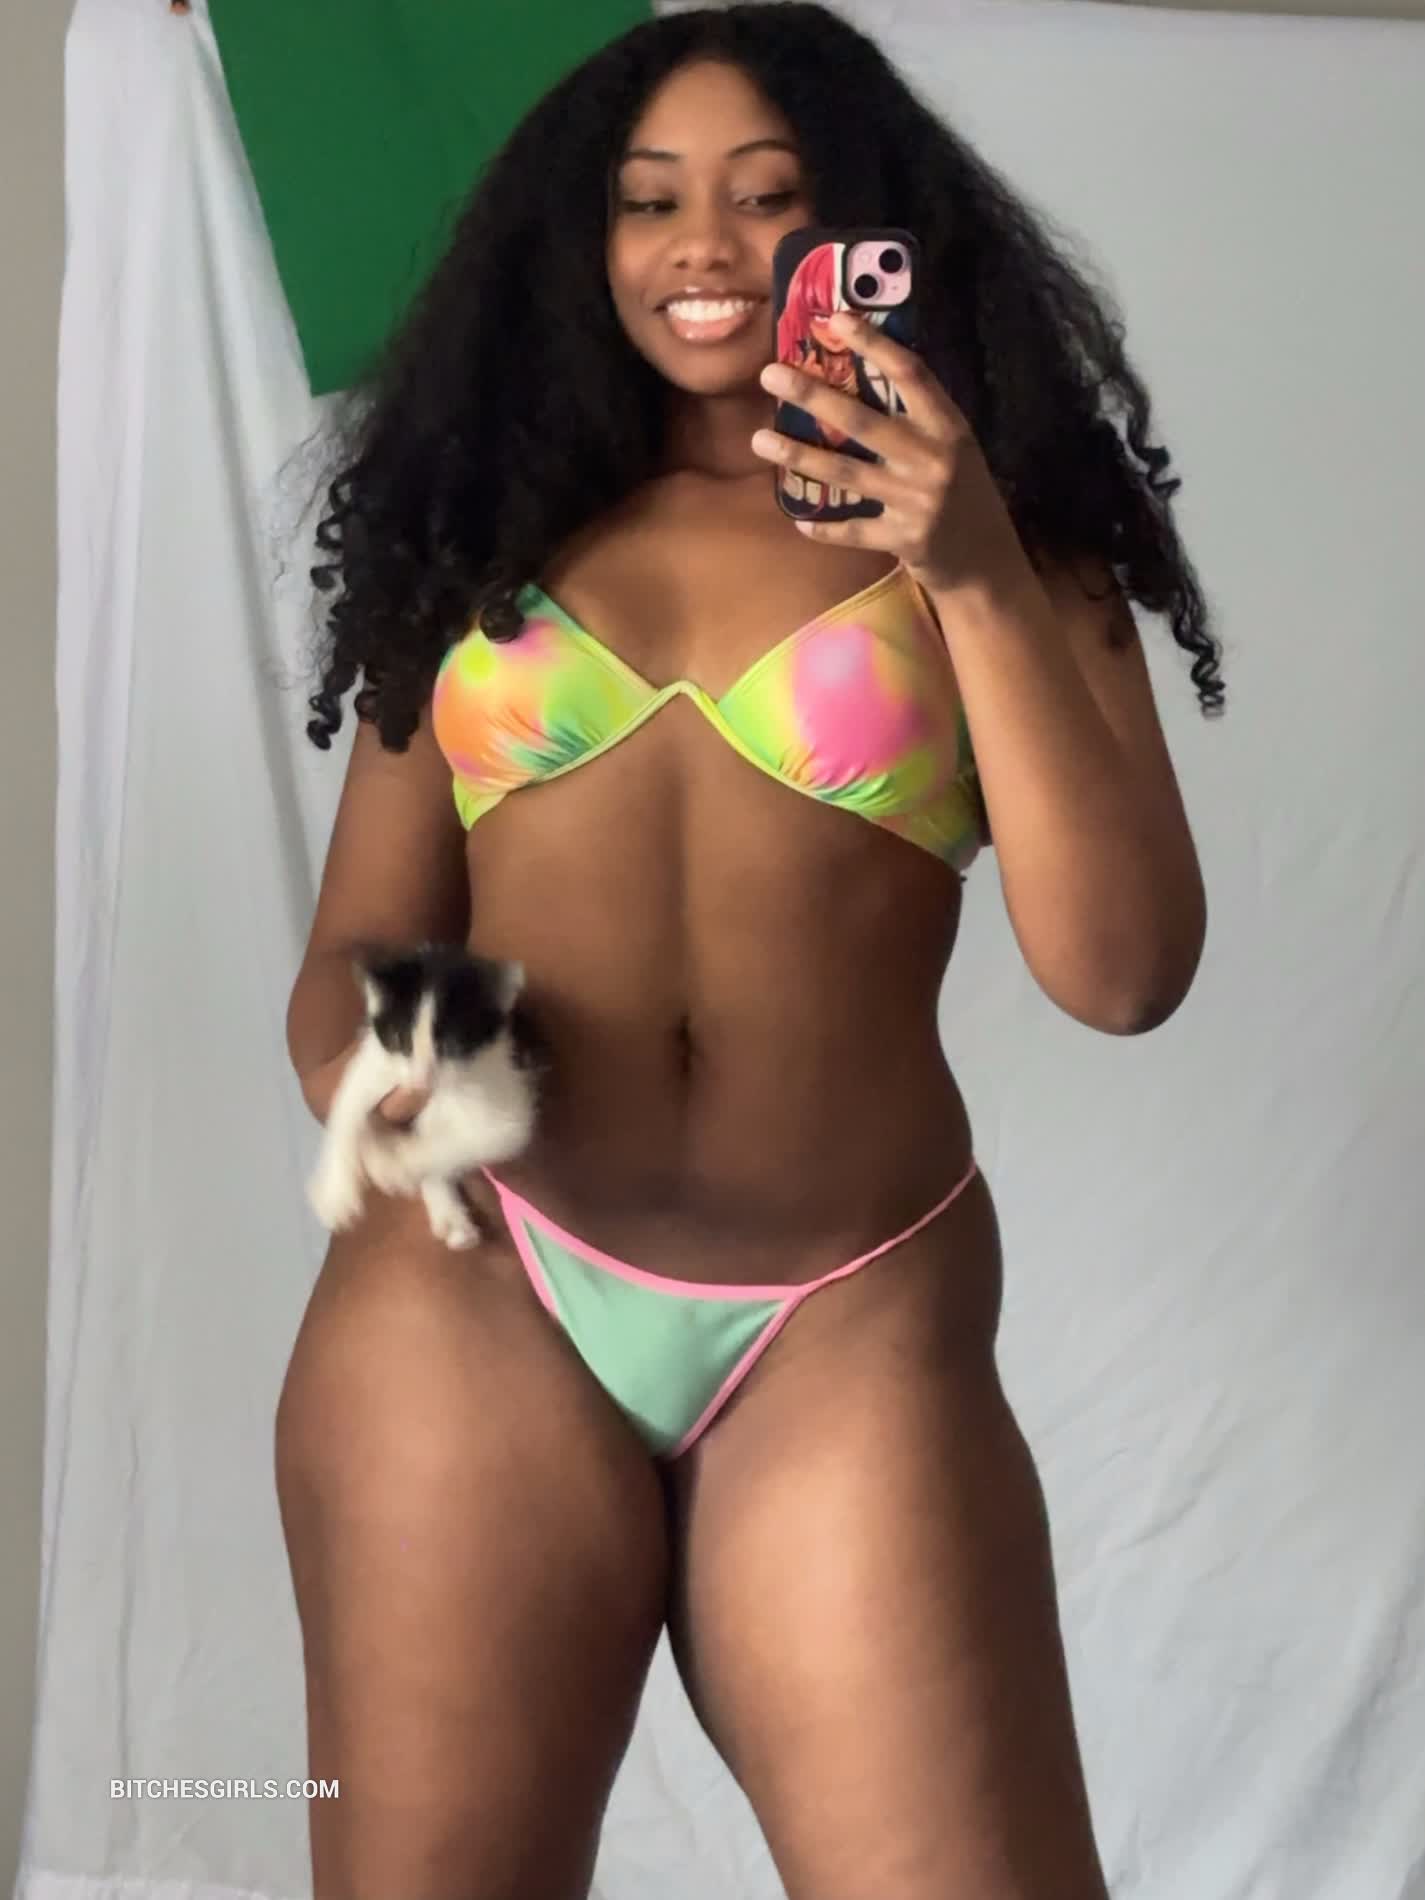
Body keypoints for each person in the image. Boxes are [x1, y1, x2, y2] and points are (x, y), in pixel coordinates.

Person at [276, 5, 1220, 1896]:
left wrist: (962, 560)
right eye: (647, 201)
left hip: (844, 1322)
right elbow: (365, 936)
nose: (699, 246)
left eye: (766, 196)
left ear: (865, 232)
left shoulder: (1019, 554)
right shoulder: (479, 535)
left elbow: (1120, 974)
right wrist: (380, 1071)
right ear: (582, 237)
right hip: (479, 1292)